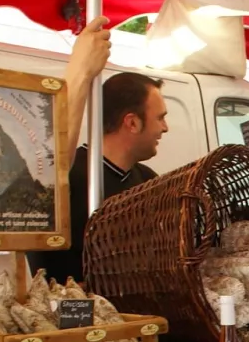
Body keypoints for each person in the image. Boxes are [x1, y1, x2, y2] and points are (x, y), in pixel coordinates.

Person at [32, 22, 168, 281]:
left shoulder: (150, 183)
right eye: (160, 118)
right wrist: (81, 70)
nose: (165, 127)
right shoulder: (71, 172)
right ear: (132, 122)